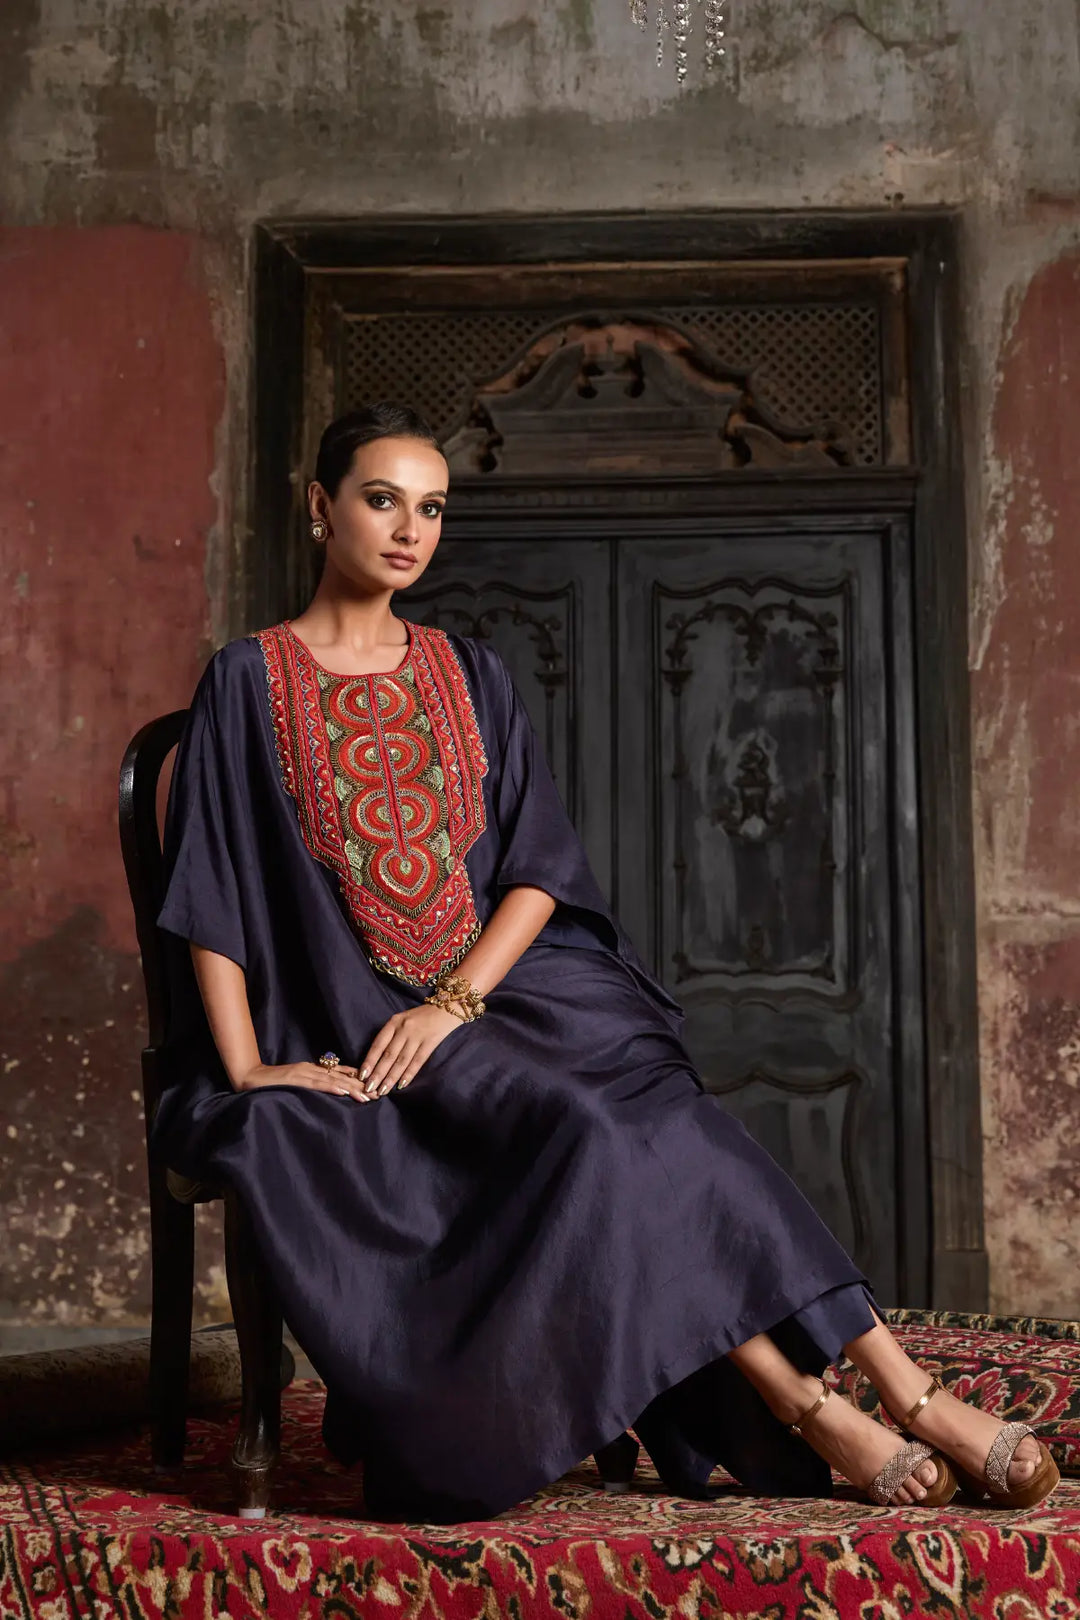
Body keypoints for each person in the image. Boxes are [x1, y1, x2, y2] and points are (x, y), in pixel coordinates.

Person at [154, 402, 1057, 1524]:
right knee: (600, 1136)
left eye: (431, 507)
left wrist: (453, 1003)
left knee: (674, 1120)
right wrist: (249, 1072)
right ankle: (809, 1402)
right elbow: (216, 895)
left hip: (505, 994)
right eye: (382, 499)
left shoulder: (472, 673)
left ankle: (900, 1394)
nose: (408, 530)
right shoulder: (247, 681)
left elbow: (539, 870)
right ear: (318, 506)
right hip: (358, 1018)